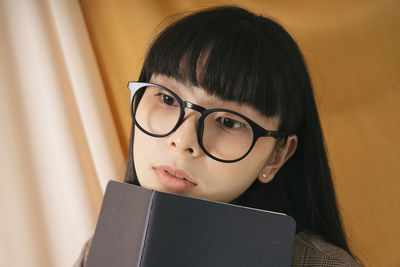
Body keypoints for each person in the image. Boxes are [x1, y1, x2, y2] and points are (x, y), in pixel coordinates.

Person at [75, 5, 362, 267]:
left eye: (228, 121)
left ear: (276, 156)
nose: (183, 139)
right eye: (167, 99)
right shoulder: (102, 250)